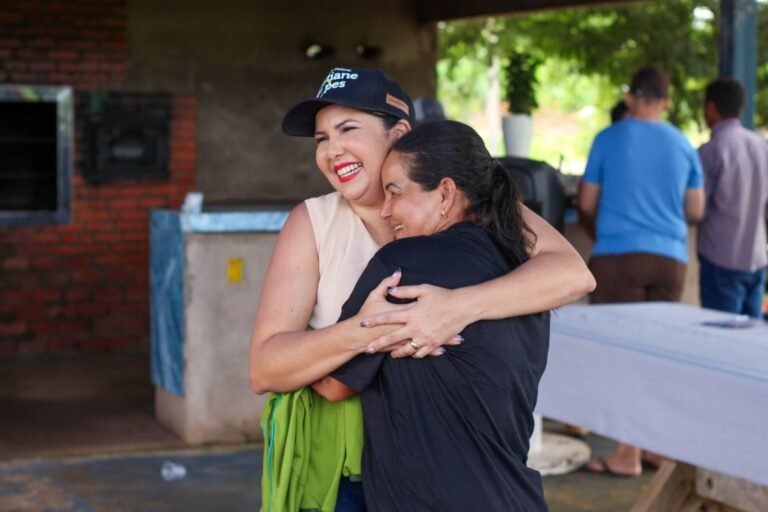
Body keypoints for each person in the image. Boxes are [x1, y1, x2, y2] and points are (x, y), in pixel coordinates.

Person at [250, 67, 595, 511]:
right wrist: (364, 330)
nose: (332, 150)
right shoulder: (313, 222)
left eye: (347, 129)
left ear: (399, 134)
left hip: (438, 464)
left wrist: (456, 308)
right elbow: (264, 368)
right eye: (321, 139)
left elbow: (572, 274)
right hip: (343, 466)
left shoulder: (478, 206)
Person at [313, 120, 549, 511]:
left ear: (445, 193)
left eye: (395, 192)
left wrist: (302, 334)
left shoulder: (403, 264)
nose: (387, 211)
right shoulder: (522, 268)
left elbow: (333, 385)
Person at [579, 66, 705, 477]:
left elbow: (585, 202)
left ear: (631, 97)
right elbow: (696, 210)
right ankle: (657, 450)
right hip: (670, 259)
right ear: (666, 102)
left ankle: (626, 454)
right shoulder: (684, 144)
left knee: (620, 355)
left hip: (619, 257)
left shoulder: (608, 138)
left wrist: (603, 231)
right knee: (659, 355)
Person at [698, 78, 768, 318]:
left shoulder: (712, 150)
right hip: (757, 257)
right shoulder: (762, 147)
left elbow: (698, 209)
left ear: (711, 107)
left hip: (721, 258)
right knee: (752, 343)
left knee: (720, 341)